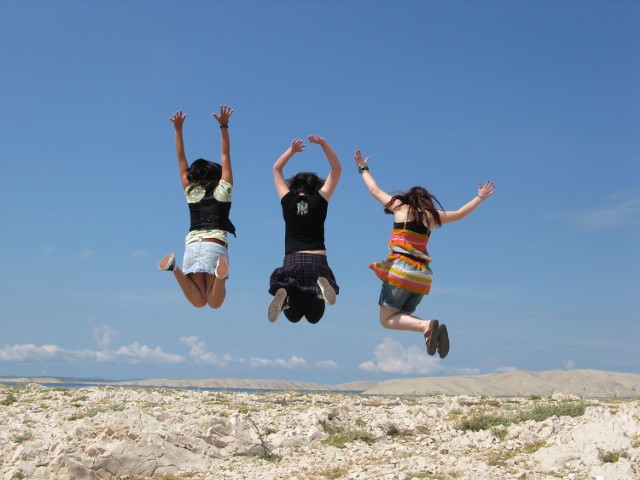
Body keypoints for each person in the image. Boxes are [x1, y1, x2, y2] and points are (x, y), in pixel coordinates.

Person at [354, 149, 495, 358]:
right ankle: (428, 331)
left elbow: (374, 190)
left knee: (386, 321)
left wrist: (362, 168)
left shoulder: (399, 207)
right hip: (422, 276)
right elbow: (459, 214)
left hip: (400, 270)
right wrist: (480, 197)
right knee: (402, 316)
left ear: (409, 198)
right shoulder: (432, 217)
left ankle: (427, 326)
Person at [158, 106, 235, 309]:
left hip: (193, 245)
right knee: (213, 303)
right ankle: (219, 274)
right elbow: (225, 156)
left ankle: (175, 267)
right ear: (217, 174)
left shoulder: (191, 191)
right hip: (214, 243)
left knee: (199, 302)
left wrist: (178, 129)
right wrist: (223, 125)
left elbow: (181, 159)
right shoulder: (223, 189)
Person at [267, 136, 342, 324]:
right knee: (314, 317)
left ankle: (286, 296)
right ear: (315, 187)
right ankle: (319, 290)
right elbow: (336, 169)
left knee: (293, 317)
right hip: (317, 261)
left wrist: (291, 151)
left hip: (293, 260)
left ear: (294, 187)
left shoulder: (288, 201)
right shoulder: (319, 200)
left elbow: (276, 168)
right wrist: (324, 144)